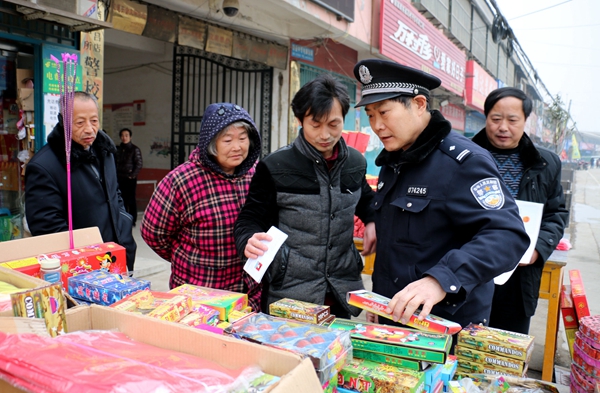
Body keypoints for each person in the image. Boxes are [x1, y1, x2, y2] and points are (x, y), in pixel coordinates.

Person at [352, 59, 529, 329]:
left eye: (384, 112)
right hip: (396, 317)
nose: (376, 125)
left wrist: (440, 280)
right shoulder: (393, 162)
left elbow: (507, 236)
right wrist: (381, 300)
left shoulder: (462, 162)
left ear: (419, 104)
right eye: (370, 115)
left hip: (445, 325)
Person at [234, 74, 376, 319]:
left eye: (333, 124)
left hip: (341, 289)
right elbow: (250, 218)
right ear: (300, 120)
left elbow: (366, 201)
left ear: (344, 119)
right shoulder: (276, 166)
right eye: (315, 124)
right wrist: (247, 239)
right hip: (290, 292)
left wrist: (373, 220)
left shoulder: (355, 163)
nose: (325, 134)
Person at [141, 103, 262, 311]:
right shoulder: (181, 180)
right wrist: (186, 256)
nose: (237, 147)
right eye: (227, 140)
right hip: (200, 294)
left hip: (247, 293)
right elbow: (154, 234)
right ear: (210, 143)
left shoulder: (256, 174)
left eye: (243, 138)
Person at [472, 87, 568, 334]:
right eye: (496, 119)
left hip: (518, 278)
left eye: (513, 120)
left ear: (525, 121)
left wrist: (538, 249)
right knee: (464, 346)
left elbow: (556, 214)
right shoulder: (464, 155)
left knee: (507, 348)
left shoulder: (546, 163)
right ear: (486, 118)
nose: (503, 127)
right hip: (469, 268)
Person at [25, 91, 137, 272]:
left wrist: (124, 226)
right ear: (63, 121)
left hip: (118, 255)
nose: (89, 129)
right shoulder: (44, 166)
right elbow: (47, 227)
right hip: (83, 268)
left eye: (94, 121)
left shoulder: (105, 152)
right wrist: (86, 254)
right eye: (79, 122)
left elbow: (115, 194)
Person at [116, 128, 143, 227]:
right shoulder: (118, 149)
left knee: (130, 199)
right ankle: (122, 219)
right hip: (119, 178)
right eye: (122, 135)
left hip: (129, 179)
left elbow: (139, 164)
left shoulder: (134, 149)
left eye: (126, 135)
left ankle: (132, 220)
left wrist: (132, 176)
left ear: (130, 137)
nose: (124, 137)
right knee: (120, 199)